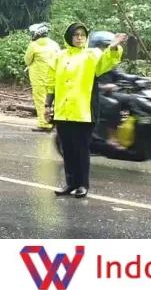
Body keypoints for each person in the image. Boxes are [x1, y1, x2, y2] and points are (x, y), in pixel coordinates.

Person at [45, 23, 126, 198]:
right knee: (67, 149)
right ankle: (70, 183)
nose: (80, 37)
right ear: (69, 37)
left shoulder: (92, 55)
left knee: (81, 150)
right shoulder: (59, 56)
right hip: (63, 111)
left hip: (83, 110)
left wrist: (113, 47)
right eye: (76, 35)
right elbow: (51, 82)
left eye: (82, 34)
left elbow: (107, 61)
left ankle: (82, 184)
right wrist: (47, 105)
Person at [88, 31, 135, 149]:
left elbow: (119, 74)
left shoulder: (110, 61)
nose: (106, 49)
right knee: (112, 105)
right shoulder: (89, 61)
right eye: (104, 46)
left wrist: (137, 79)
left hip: (108, 93)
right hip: (94, 94)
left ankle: (131, 133)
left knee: (132, 100)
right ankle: (110, 137)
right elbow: (85, 81)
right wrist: (102, 86)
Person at [24, 23, 61, 132]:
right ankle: (54, 123)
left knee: (40, 100)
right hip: (53, 77)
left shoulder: (33, 45)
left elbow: (27, 60)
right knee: (53, 101)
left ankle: (44, 124)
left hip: (38, 78)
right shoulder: (54, 44)